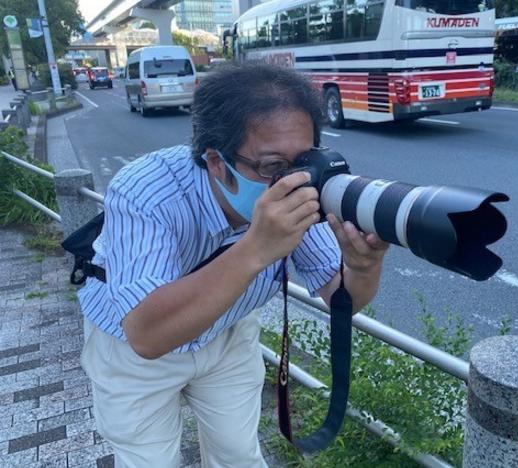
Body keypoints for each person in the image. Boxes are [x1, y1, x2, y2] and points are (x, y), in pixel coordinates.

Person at [78, 63, 389, 467]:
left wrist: (364, 266)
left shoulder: (297, 188)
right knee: (148, 461)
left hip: (228, 333)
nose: (293, 180)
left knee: (239, 455)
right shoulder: (146, 191)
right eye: (272, 166)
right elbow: (147, 335)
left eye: (306, 160)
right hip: (130, 349)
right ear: (215, 162)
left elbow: (342, 297)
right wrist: (256, 247)